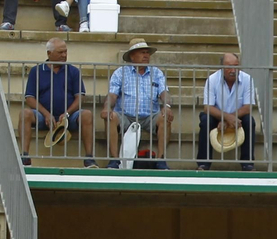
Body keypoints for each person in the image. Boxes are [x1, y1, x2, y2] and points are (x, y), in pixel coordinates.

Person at [19, 38, 96, 167]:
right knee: (25, 114)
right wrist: (46, 114)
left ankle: (89, 158)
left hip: (69, 117)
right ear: (49, 54)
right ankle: (25, 156)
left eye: (65, 52)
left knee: (87, 114)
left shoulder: (73, 71)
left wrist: (67, 113)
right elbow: (30, 98)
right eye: (60, 52)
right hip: (43, 117)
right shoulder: (36, 71)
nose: (64, 55)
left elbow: (80, 97)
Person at [106, 38, 171, 169]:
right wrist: (107, 107)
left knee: (165, 118)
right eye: (142, 52)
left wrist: (167, 106)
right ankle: (114, 160)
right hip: (125, 115)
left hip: (150, 116)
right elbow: (112, 95)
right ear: (132, 56)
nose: (146, 55)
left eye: (147, 52)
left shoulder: (156, 72)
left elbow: (165, 93)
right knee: (111, 117)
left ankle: (161, 159)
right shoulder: (120, 73)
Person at [196, 52, 255, 171]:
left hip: (238, 115)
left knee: (250, 121)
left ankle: (247, 163)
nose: (233, 70)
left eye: (236, 66)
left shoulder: (247, 79)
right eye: (229, 67)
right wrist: (227, 118)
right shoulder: (212, 79)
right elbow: (208, 107)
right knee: (205, 120)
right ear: (222, 68)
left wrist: (229, 119)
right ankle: (203, 163)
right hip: (217, 114)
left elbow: (248, 107)